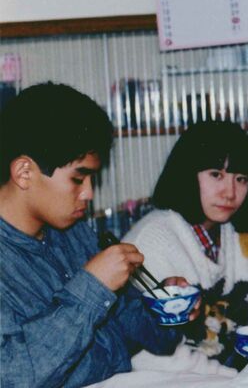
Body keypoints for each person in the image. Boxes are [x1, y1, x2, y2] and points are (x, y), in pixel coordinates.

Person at [0, 82, 186, 387]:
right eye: (78, 179)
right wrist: (93, 288)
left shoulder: (73, 233)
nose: (89, 194)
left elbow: (151, 338)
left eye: (92, 179)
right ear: (24, 173)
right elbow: (12, 376)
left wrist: (168, 307)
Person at [124, 120, 248, 369]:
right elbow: (158, 358)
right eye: (216, 175)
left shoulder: (236, 236)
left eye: (241, 179)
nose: (230, 192)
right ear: (188, 173)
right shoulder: (152, 240)